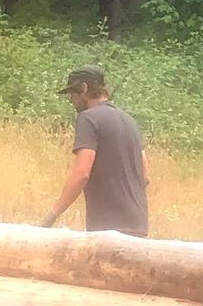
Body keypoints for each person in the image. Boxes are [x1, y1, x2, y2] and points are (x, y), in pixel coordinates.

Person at [41, 65, 148, 236]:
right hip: (139, 225)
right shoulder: (130, 121)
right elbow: (145, 176)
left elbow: (82, 174)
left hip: (108, 228)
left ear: (84, 88)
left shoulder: (88, 118)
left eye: (73, 94)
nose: (70, 100)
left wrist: (52, 215)